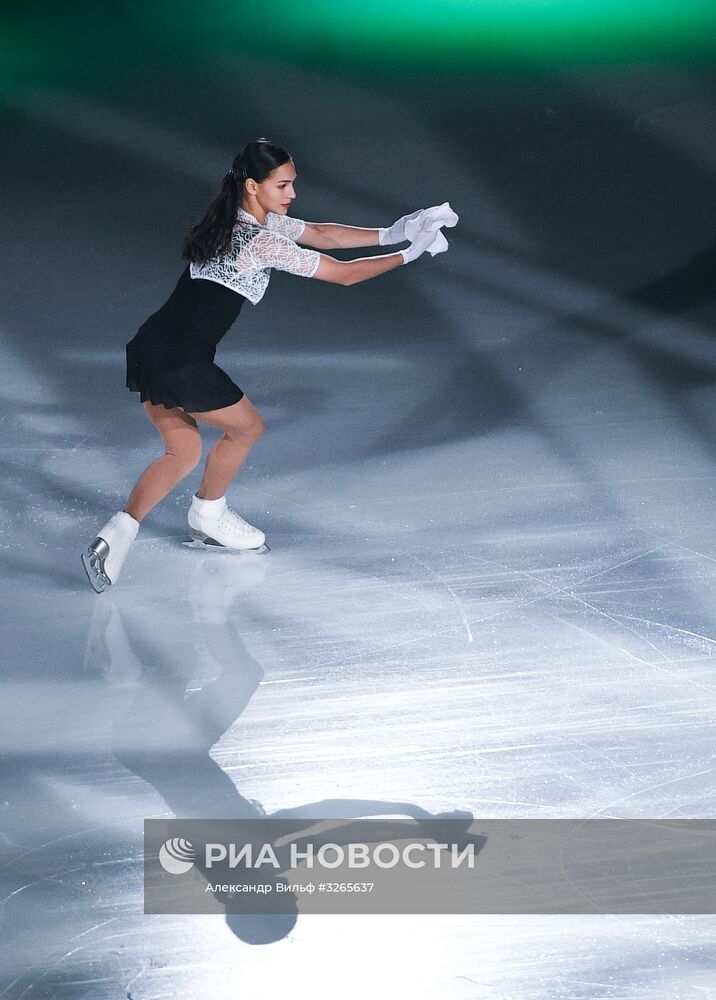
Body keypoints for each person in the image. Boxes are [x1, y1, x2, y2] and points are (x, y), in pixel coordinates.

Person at [81, 137, 458, 593]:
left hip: (152, 346)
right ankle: (209, 513)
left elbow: (322, 234)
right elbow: (342, 274)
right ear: (254, 186)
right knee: (246, 428)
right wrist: (409, 254)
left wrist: (395, 230)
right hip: (180, 359)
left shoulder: (242, 221)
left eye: (292, 184)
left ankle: (117, 535)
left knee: (182, 452)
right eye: (282, 185)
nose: (292, 193)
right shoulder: (258, 241)